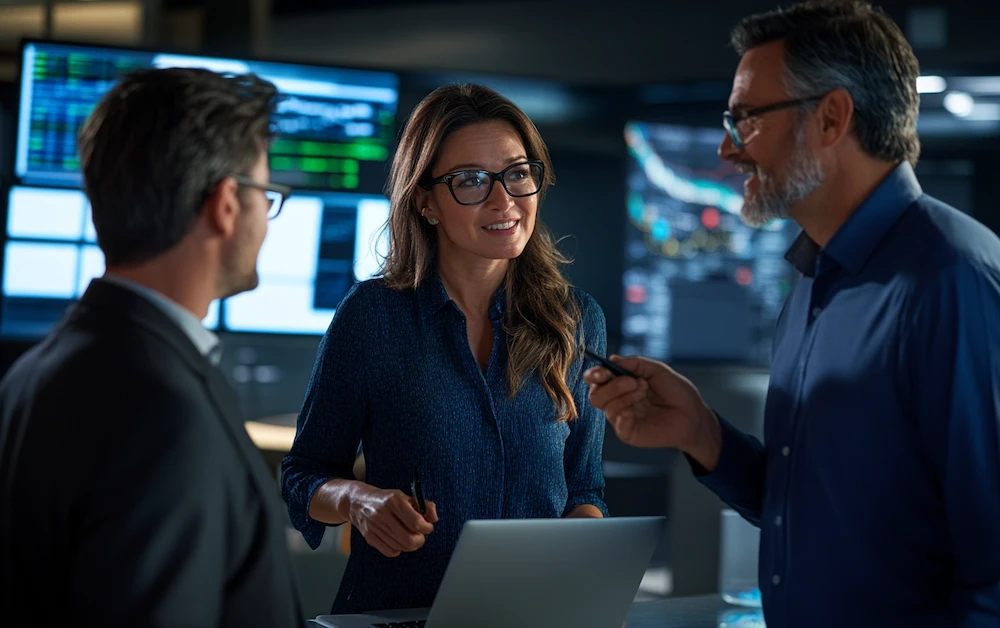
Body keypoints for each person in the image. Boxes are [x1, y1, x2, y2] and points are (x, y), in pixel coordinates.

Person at [585, 2, 1000, 627]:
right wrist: (702, 434)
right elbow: (808, 509)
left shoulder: (954, 281)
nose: (727, 148)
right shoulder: (810, 281)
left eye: (747, 119)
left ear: (832, 117)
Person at [281, 83, 609, 613]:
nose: (504, 200)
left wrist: (592, 581)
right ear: (425, 201)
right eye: (471, 180)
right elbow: (302, 475)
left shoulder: (577, 320)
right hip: (397, 613)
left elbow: (584, 491)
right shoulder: (372, 317)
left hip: (529, 617)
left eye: (517, 173)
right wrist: (358, 500)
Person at [0, 68, 303, 626]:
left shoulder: (36, 371)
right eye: (267, 194)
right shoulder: (165, 410)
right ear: (226, 203)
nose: (268, 216)